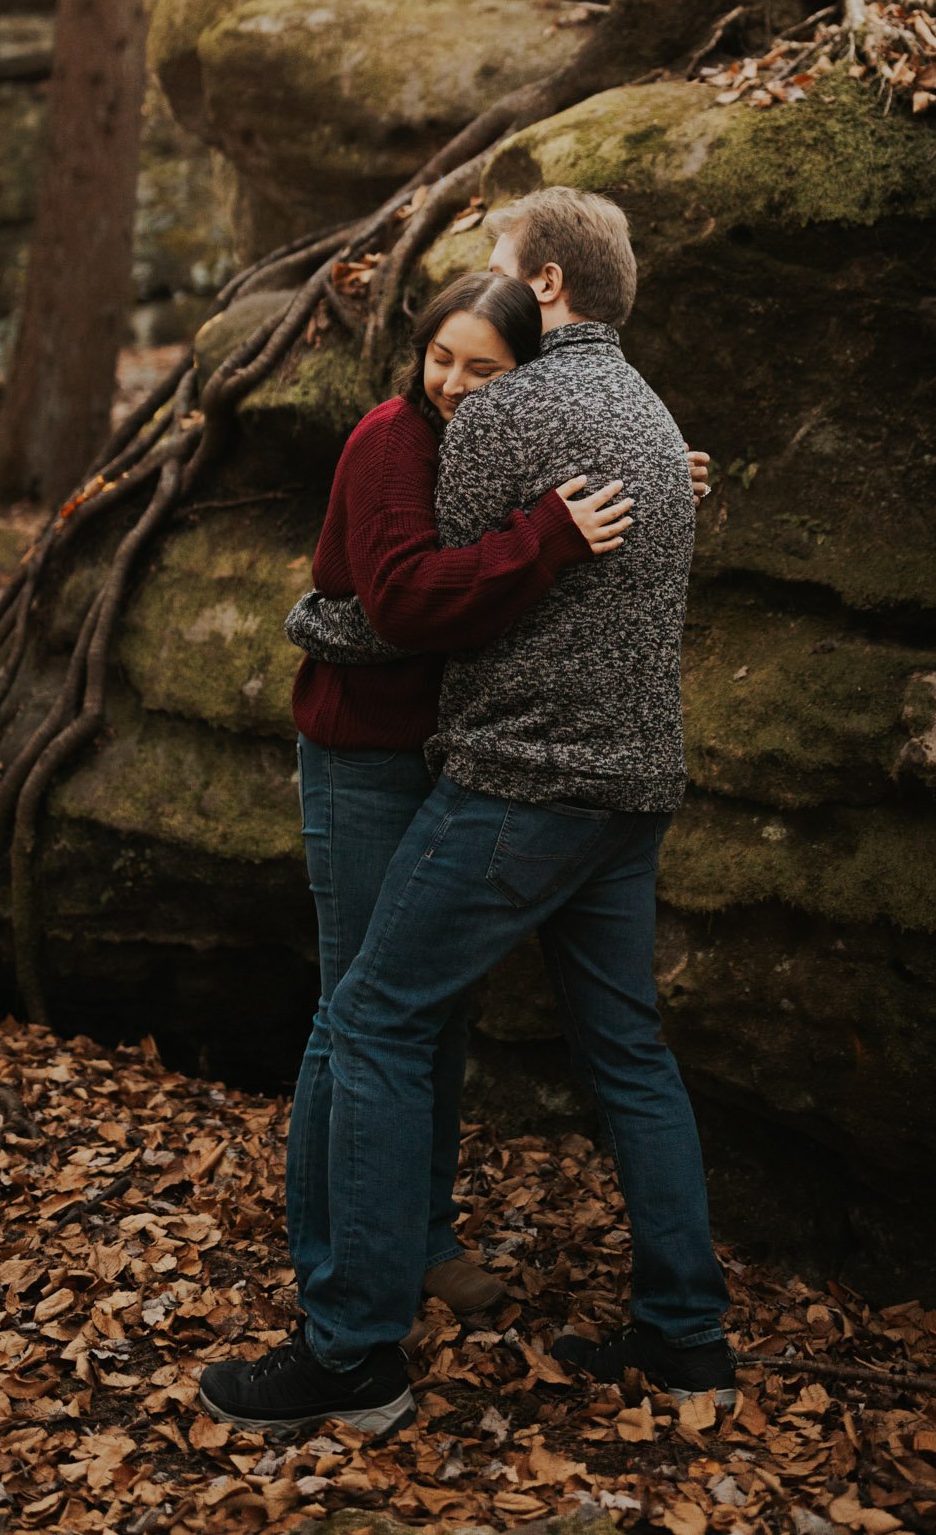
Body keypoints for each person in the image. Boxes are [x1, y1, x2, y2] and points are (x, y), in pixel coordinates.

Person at [198, 189, 732, 1441]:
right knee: (630, 1059)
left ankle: (351, 1357)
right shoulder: (652, 419)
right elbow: (412, 562)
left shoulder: (511, 411)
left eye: (499, 275)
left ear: (545, 285)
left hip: (521, 784)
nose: (470, 342)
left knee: (374, 1021)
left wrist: (312, 621)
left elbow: (400, 596)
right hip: (635, 787)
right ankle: (685, 1341)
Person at [280, 268, 637, 1336]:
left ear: (528, 372)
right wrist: (548, 540)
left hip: (453, 760)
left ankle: (416, 1237)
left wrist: (667, 476)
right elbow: (400, 596)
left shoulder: (498, 440)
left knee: (426, 1011)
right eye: (442, 356)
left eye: (484, 368)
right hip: (362, 759)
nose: (454, 383)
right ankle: (334, 1257)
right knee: (355, 1013)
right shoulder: (391, 438)